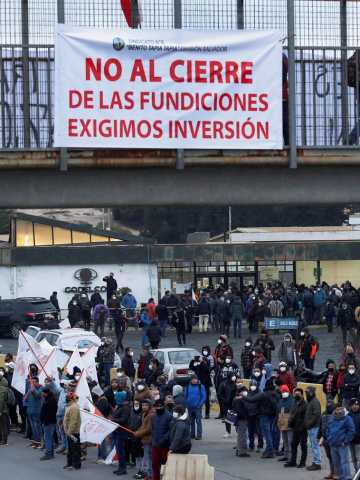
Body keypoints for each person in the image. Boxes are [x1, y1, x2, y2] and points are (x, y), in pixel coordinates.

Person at [326, 403, 355, 480]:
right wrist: (329, 439)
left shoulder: (347, 418)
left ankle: (346, 477)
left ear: (343, 409)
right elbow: (328, 429)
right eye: (337, 409)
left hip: (342, 445)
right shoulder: (331, 418)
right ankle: (339, 477)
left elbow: (351, 431)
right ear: (334, 410)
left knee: (344, 462)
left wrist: (345, 441)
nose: (339, 410)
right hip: (333, 445)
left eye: (340, 409)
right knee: (336, 463)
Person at [285, 388, 307, 468]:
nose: (296, 395)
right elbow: (292, 414)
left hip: (302, 429)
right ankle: (293, 461)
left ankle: (302, 462)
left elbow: (305, 418)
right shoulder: (294, 403)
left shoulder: (305, 404)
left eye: (298, 394)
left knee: (303, 446)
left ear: (301, 395)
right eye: (295, 394)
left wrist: (303, 426)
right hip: (295, 428)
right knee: (293, 445)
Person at [151, 399, 172, 480]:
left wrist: (163, 440)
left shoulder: (169, 416)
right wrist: (154, 440)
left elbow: (170, 431)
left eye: (160, 406)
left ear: (164, 406)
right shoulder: (153, 417)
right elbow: (153, 429)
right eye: (157, 406)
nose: (158, 408)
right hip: (155, 444)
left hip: (165, 446)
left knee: (166, 464)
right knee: (155, 464)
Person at [112, 390, 131, 476]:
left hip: (122, 432)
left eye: (117, 397)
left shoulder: (125, 408)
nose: (115, 398)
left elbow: (123, 420)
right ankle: (120, 467)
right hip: (117, 431)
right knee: (119, 450)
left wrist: (113, 420)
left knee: (121, 451)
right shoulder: (120, 406)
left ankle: (123, 469)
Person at [134, 399, 154, 480]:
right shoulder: (144, 414)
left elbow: (149, 429)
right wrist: (138, 431)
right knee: (147, 457)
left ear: (149, 406)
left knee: (149, 457)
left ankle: (150, 475)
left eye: (146, 405)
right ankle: (149, 474)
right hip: (145, 439)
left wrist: (138, 433)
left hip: (149, 439)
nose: (144, 407)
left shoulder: (151, 415)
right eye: (143, 405)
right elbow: (143, 426)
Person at [304, 386, 322, 471]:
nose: (306, 394)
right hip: (311, 427)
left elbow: (316, 415)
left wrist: (309, 424)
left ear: (311, 393)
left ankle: (317, 463)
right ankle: (316, 462)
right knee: (313, 445)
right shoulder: (310, 401)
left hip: (314, 427)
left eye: (307, 392)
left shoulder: (315, 402)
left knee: (315, 445)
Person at [63, 392, 81, 470]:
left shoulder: (74, 407)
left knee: (75, 449)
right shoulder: (70, 406)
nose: (66, 399)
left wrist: (69, 432)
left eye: (67, 397)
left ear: (71, 399)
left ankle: (76, 464)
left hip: (73, 432)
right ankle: (70, 463)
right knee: (70, 449)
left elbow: (74, 421)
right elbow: (67, 418)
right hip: (69, 432)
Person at [319, 400, 336, 480]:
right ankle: (332, 473)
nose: (328, 406)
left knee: (334, 457)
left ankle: (336, 473)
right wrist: (320, 436)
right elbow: (320, 425)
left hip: (333, 439)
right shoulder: (323, 414)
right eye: (327, 404)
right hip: (325, 439)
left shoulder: (336, 414)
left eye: (330, 404)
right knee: (329, 457)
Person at [185, 374, 206, 440]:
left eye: (195, 379)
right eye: (192, 379)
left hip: (197, 407)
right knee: (191, 421)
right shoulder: (188, 387)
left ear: (197, 379)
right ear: (191, 380)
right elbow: (185, 396)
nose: (194, 380)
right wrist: (186, 404)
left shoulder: (201, 386)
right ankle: (192, 434)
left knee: (198, 421)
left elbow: (204, 397)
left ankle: (199, 435)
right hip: (189, 407)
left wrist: (200, 404)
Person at [277, 385, 294, 463]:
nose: (284, 393)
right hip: (282, 422)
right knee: (285, 440)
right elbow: (278, 410)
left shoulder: (292, 400)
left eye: (285, 391)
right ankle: (286, 455)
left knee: (290, 441)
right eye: (283, 392)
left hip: (289, 422)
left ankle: (291, 457)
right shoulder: (281, 400)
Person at [40, 387, 58, 460]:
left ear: (45, 393)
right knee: (49, 438)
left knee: (48, 438)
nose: (42, 394)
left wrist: (45, 421)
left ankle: (49, 453)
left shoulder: (50, 401)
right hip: (50, 421)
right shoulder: (50, 399)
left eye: (43, 393)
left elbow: (48, 413)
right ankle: (51, 453)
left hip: (48, 422)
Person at [232, 386, 250, 457]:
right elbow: (240, 411)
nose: (246, 393)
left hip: (239, 419)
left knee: (240, 435)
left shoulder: (236, 399)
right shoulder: (239, 400)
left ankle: (239, 450)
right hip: (242, 419)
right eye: (244, 391)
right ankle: (242, 452)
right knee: (242, 435)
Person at [349, 398, 360, 475]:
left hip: (359, 441)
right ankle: (357, 473)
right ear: (350, 406)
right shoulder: (348, 415)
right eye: (353, 405)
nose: (355, 406)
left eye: (357, 404)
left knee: (359, 458)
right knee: (353, 459)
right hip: (351, 441)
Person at [0, 376, 9, 445]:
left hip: (2, 410)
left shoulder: (1, 388)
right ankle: (3, 440)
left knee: (3, 426)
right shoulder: (4, 387)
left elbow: (1, 401)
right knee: (3, 425)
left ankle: (4, 440)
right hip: (4, 409)